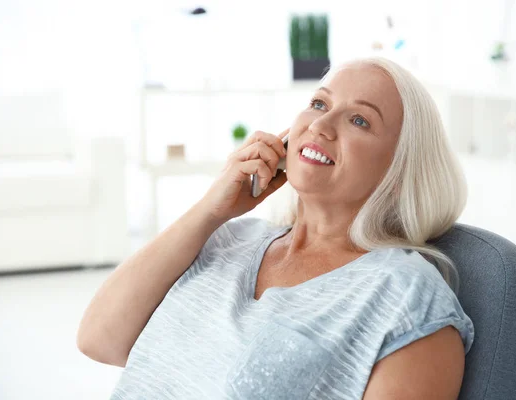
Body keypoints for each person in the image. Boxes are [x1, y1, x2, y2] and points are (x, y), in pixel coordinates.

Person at [77, 56, 474, 399]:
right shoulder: (229, 238)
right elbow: (99, 339)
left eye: (359, 120)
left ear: (401, 170)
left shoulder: (406, 295)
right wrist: (209, 212)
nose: (321, 125)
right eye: (319, 103)